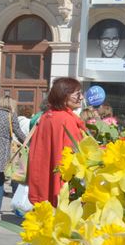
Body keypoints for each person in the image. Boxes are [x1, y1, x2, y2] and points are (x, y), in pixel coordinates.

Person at [28, 77, 86, 206]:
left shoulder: (46, 116)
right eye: (77, 94)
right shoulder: (67, 120)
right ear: (64, 96)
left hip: (42, 180)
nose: (81, 97)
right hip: (61, 184)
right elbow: (73, 155)